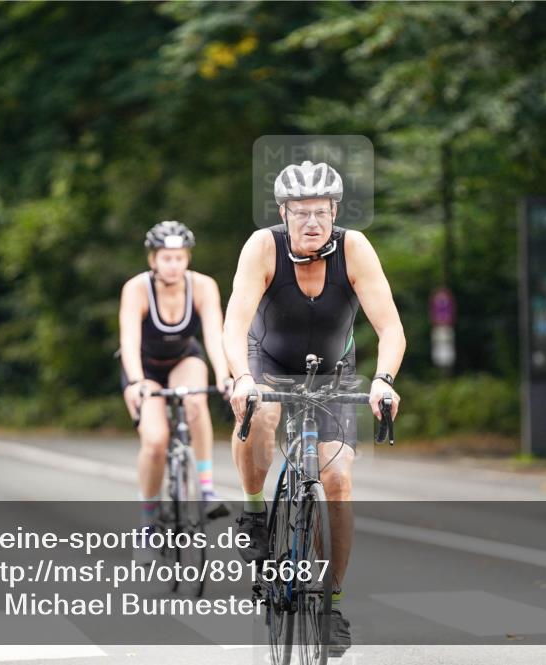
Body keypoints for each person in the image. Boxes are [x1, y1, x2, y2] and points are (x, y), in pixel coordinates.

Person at [223, 161, 405, 655]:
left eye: (320, 212)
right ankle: (255, 512)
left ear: (334, 211)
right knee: (259, 415)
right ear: (283, 212)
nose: (311, 222)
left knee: (339, 480)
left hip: (332, 371)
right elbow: (236, 321)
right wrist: (240, 378)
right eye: (300, 212)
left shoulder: (355, 249)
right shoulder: (263, 247)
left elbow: (390, 328)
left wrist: (384, 381)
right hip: (268, 360)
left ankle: (331, 603)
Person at [119, 221, 233, 544]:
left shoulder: (203, 286)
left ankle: (206, 488)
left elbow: (213, 333)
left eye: (179, 258)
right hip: (144, 367)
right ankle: (147, 517)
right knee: (155, 441)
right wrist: (138, 382)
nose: (173, 265)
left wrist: (224, 374)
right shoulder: (137, 289)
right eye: (166, 258)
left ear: (188, 259)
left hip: (184, 358)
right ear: (152, 260)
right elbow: (128, 339)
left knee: (196, 403)